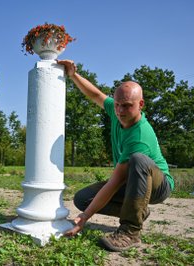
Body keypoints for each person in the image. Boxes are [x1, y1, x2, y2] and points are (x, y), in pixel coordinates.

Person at [57, 59, 174, 252]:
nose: (120, 111)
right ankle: (138, 211)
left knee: (139, 160)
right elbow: (95, 95)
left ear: (141, 104)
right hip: (133, 181)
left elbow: (115, 181)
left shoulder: (140, 136)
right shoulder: (116, 109)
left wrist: (84, 218)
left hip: (158, 185)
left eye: (127, 106)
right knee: (83, 199)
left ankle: (130, 231)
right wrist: (73, 75)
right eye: (117, 104)